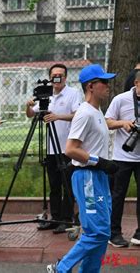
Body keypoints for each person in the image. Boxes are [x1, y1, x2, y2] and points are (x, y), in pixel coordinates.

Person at [47, 64, 117, 273]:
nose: (108, 86)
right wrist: (100, 161)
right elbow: (70, 149)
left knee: (103, 232)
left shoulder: (97, 111)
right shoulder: (84, 113)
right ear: (91, 86)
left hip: (99, 178)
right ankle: (61, 268)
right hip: (87, 177)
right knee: (96, 232)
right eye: (103, 82)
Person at [25, 64, 82, 234]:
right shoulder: (46, 94)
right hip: (51, 148)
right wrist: (28, 105)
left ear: (66, 77)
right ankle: (55, 218)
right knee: (54, 185)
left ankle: (66, 219)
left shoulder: (73, 93)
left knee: (67, 185)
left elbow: (78, 114)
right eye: (54, 75)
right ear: (50, 77)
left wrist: (58, 117)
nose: (57, 78)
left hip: (67, 148)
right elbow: (31, 114)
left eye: (61, 75)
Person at [105, 70, 140, 248]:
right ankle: (114, 233)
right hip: (122, 156)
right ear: (136, 83)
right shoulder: (121, 99)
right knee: (118, 195)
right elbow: (106, 121)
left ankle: (139, 234)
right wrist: (123, 123)